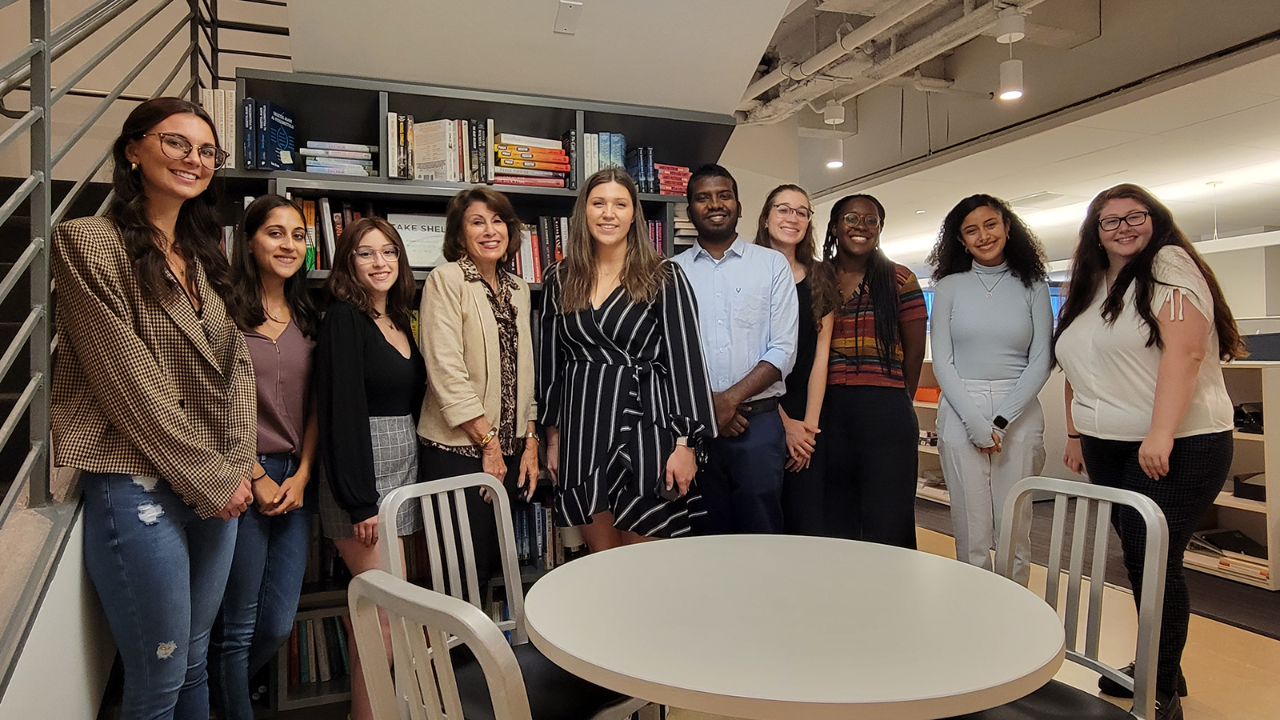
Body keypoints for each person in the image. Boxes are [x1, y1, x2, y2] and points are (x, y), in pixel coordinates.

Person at [51, 97, 255, 719]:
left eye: (206, 151)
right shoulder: (87, 242)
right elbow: (129, 384)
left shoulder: (204, 254)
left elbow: (237, 368)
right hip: (137, 482)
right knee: (159, 675)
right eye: (176, 143)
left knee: (195, 661)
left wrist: (241, 463)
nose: (194, 160)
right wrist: (217, 477)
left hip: (221, 486)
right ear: (132, 150)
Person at [1055, 183, 1243, 720]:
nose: (1123, 227)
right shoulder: (1094, 283)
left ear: (1155, 219)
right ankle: (1162, 666)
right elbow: (1075, 359)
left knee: (1151, 555)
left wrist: (1159, 433)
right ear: (1095, 232)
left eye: (1134, 216)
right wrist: (1075, 433)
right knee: (1142, 558)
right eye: (1109, 221)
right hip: (1108, 444)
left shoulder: (1170, 264)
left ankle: (1161, 685)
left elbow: (1185, 352)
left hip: (1178, 443)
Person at [539, 168, 715, 550]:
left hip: (646, 429)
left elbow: (687, 366)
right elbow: (550, 366)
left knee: (646, 568)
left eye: (620, 204)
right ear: (583, 211)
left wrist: (685, 444)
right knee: (600, 563)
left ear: (634, 213)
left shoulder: (663, 276)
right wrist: (552, 440)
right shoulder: (559, 278)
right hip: (581, 432)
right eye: (598, 203)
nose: (608, 213)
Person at [208, 195, 319, 720]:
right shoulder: (221, 307)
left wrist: (302, 474)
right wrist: (255, 474)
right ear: (249, 241)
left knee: (277, 623)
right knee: (238, 626)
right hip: (239, 475)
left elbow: (317, 403)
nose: (288, 245)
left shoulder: (306, 312)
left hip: (296, 479)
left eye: (298, 235)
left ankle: (209, 693)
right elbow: (208, 400)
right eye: (275, 233)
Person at [314, 217, 425, 720]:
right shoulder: (343, 317)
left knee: (387, 620)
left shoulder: (400, 318)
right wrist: (359, 498)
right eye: (365, 253)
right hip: (362, 476)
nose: (380, 263)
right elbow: (342, 411)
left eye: (389, 252)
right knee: (381, 621)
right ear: (348, 263)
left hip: (403, 468)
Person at [926, 194, 1052, 583]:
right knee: (972, 525)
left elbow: (1041, 359)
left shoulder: (1033, 285)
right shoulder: (948, 288)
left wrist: (999, 421)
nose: (983, 235)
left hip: (1020, 408)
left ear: (1007, 227)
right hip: (962, 406)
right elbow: (943, 362)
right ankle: (976, 613)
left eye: (990, 224)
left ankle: (1017, 618)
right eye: (971, 230)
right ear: (961, 240)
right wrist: (975, 422)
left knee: (1015, 523)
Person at [418, 187, 539, 583]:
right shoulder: (445, 280)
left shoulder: (519, 289)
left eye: (498, 220)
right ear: (459, 234)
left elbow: (526, 371)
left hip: (507, 452)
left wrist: (531, 437)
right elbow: (444, 370)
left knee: (488, 568)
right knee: (458, 574)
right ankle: (457, 649)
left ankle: (482, 648)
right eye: (477, 222)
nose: (490, 230)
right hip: (457, 452)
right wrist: (489, 444)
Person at [672, 165, 799, 535]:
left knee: (761, 534)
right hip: (693, 429)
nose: (715, 204)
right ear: (689, 209)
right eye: (703, 197)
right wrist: (710, 409)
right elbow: (667, 354)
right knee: (701, 537)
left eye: (724, 195)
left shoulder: (772, 265)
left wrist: (727, 401)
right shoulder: (669, 273)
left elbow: (783, 349)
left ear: (739, 206)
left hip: (758, 427)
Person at [821, 194, 927, 548]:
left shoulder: (900, 278)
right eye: (851, 218)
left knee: (889, 517)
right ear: (835, 226)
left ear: (880, 229)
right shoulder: (818, 277)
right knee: (834, 514)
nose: (861, 227)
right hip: (827, 408)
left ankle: (892, 598)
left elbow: (914, 353)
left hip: (886, 408)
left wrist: (898, 399)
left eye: (871, 220)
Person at [753, 184, 839, 535]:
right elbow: (746, 354)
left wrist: (808, 430)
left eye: (801, 211)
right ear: (766, 216)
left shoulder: (821, 276)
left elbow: (821, 358)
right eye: (783, 208)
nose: (792, 217)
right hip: (758, 409)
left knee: (806, 522)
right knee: (762, 519)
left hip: (808, 414)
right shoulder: (748, 273)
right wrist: (784, 423)